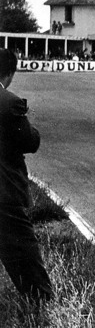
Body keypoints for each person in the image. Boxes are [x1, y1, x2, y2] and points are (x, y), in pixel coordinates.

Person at [0, 48, 53, 302]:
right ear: (10, 73)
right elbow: (30, 142)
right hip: (5, 195)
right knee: (28, 264)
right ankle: (41, 308)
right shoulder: (10, 103)